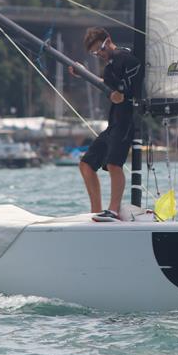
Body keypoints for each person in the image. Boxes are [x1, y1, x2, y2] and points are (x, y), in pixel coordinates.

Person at [69, 27, 142, 221]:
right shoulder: (110, 66)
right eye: (95, 53)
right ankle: (96, 211)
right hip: (114, 122)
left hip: (127, 119)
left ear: (108, 40)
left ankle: (114, 210)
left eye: (101, 49)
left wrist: (123, 92)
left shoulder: (124, 57)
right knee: (85, 165)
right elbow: (106, 85)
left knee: (113, 164)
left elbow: (135, 71)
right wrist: (83, 73)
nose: (99, 54)